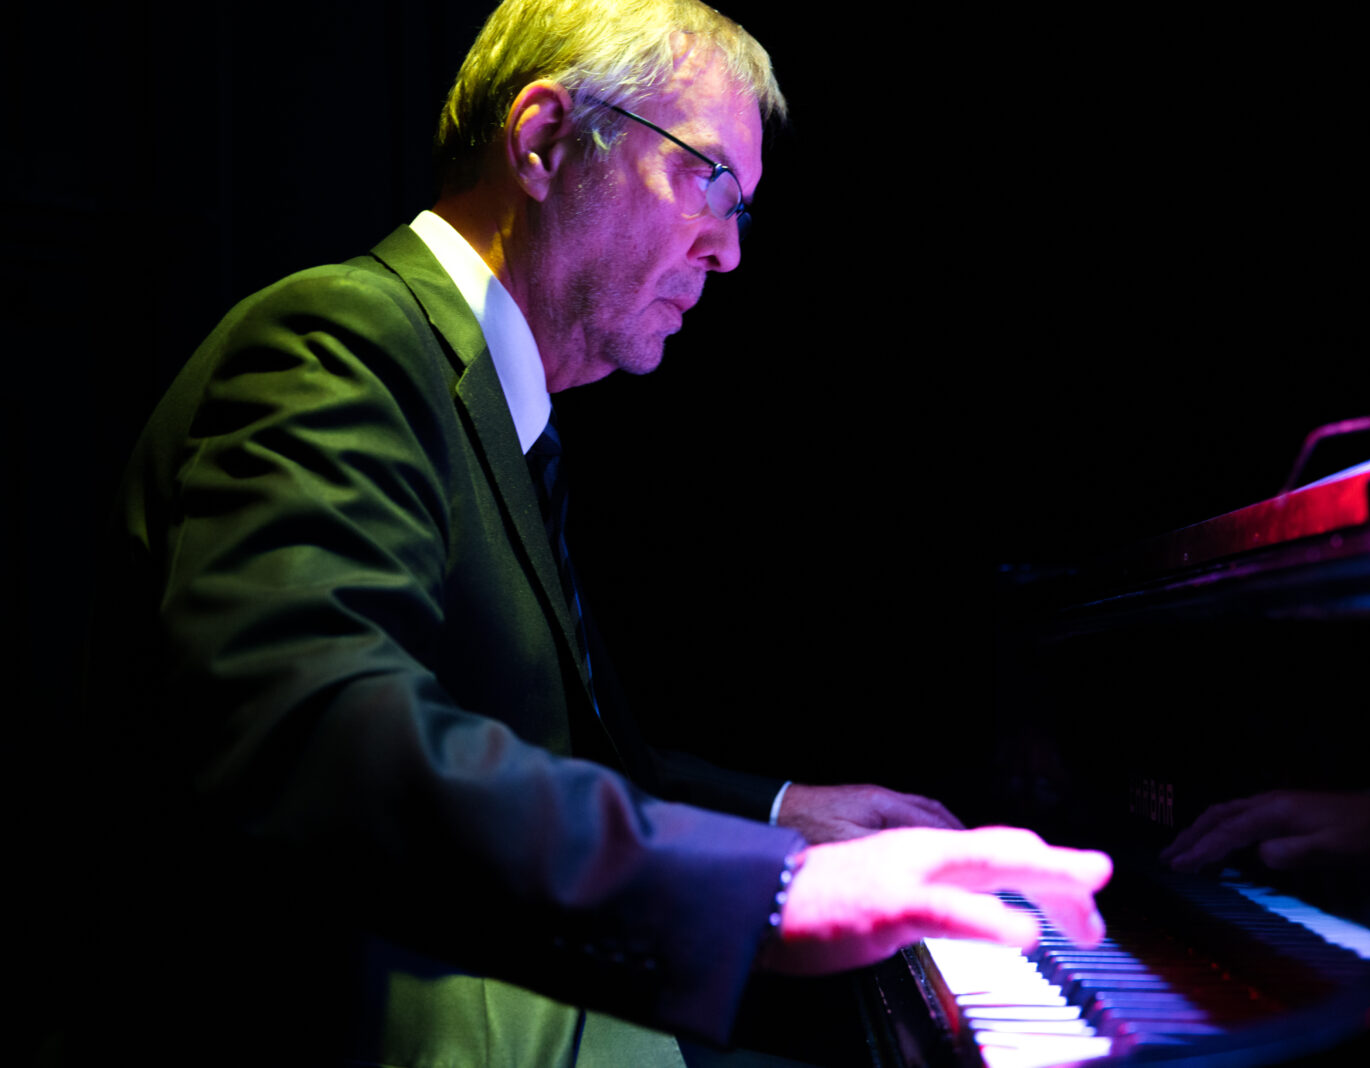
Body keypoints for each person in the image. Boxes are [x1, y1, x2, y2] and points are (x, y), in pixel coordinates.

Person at [84, 2, 1111, 1064]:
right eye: (707, 181)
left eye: (744, 211)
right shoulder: (341, 340)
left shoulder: (498, 408)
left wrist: (782, 811)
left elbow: (553, 757)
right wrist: (771, 892)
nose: (726, 255)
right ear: (542, 144)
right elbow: (314, 733)